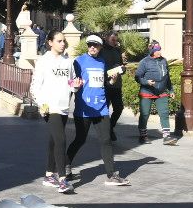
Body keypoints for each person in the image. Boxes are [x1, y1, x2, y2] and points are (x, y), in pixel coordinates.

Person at [65, 35, 128, 187]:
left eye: (95, 45)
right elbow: (71, 82)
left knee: (106, 140)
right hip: (84, 108)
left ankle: (111, 175)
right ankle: (65, 167)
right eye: (90, 45)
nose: (92, 47)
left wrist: (112, 80)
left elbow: (106, 82)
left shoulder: (102, 62)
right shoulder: (78, 61)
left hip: (101, 108)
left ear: (100, 47)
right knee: (80, 139)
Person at [29, 31, 77, 192]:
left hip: (64, 107)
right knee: (61, 140)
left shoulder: (69, 61)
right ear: (50, 42)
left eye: (64, 41)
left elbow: (71, 82)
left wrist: (75, 86)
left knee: (53, 140)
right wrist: (41, 103)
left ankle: (49, 175)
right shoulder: (43, 61)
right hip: (50, 107)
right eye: (59, 41)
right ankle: (62, 179)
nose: (63, 44)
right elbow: (35, 86)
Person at [135, 41, 179, 145]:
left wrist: (171, 90)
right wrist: (146, 82)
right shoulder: (144, 62)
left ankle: (167, 137)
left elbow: (167, 77)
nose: (159, 52)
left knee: (164, 113)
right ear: (152, 51)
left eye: (160, 49)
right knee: (145, 114)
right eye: (157, 50)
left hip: (161, 92)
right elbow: (137, 77)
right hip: (147, 91)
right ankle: (143, 136)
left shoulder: (163, 61)